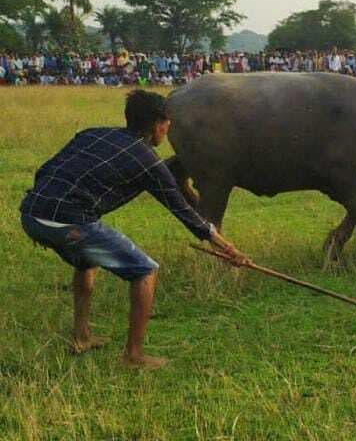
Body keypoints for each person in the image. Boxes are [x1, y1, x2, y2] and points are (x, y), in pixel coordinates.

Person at [19, 91, 249, 370]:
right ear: (158, 125)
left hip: (30, 214)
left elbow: (46, 170)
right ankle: (134, 356)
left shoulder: (92, 134)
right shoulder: (148, 161)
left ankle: (82, 336)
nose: (167, 129)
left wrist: (39, 214)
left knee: (85, 260)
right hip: (70, 224)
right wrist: (228, 249)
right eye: (166, 123)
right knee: (145, 270)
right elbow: (187, 215)